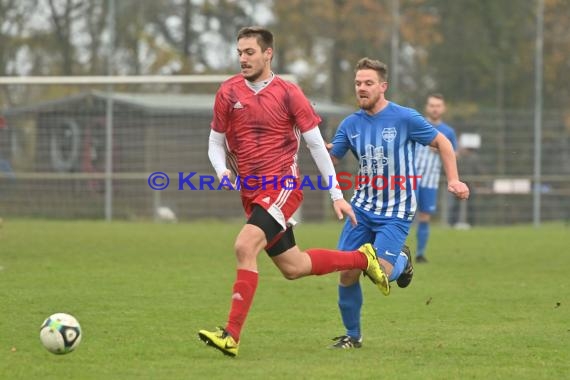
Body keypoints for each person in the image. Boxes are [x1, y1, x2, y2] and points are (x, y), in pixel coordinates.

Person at [198, 27, 389, 357]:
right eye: (240, 52)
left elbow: (316, 145)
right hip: (252, 193)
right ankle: (364, 258)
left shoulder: (288, 93)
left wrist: (336, 196)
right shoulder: (228, 92)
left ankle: (231, 335)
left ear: (267, 53)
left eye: (249, 52)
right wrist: (221, 170)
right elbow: (215, 141)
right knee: (294, 267)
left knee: (245, 246)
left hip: (283, 188)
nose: (243, 58)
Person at [328, 58, 469, 349]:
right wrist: (319, 150)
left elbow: (443, 142)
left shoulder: (405, 118)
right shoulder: (350, 124)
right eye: (358, 84)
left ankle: (402, 263)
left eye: (368, 83)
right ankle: (353, 337)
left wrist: (454, 179)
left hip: (396, 210)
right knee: (347, 272)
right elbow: (332, 158)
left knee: (378, 270)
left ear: (383, 86)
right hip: (362, 209)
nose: (362, 89)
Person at [415, 94, 458, 263]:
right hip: (409, 177)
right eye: (432, 105)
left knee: (425, 216)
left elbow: (454, 154)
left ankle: (420, 253)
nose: (434, 108)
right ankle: (393, 251)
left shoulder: (448, 132)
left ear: (443, 108)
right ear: (427, 107)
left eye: (438, 105)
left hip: (430, 180)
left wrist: (441, 149)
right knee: (401, 214)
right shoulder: (417, 124)